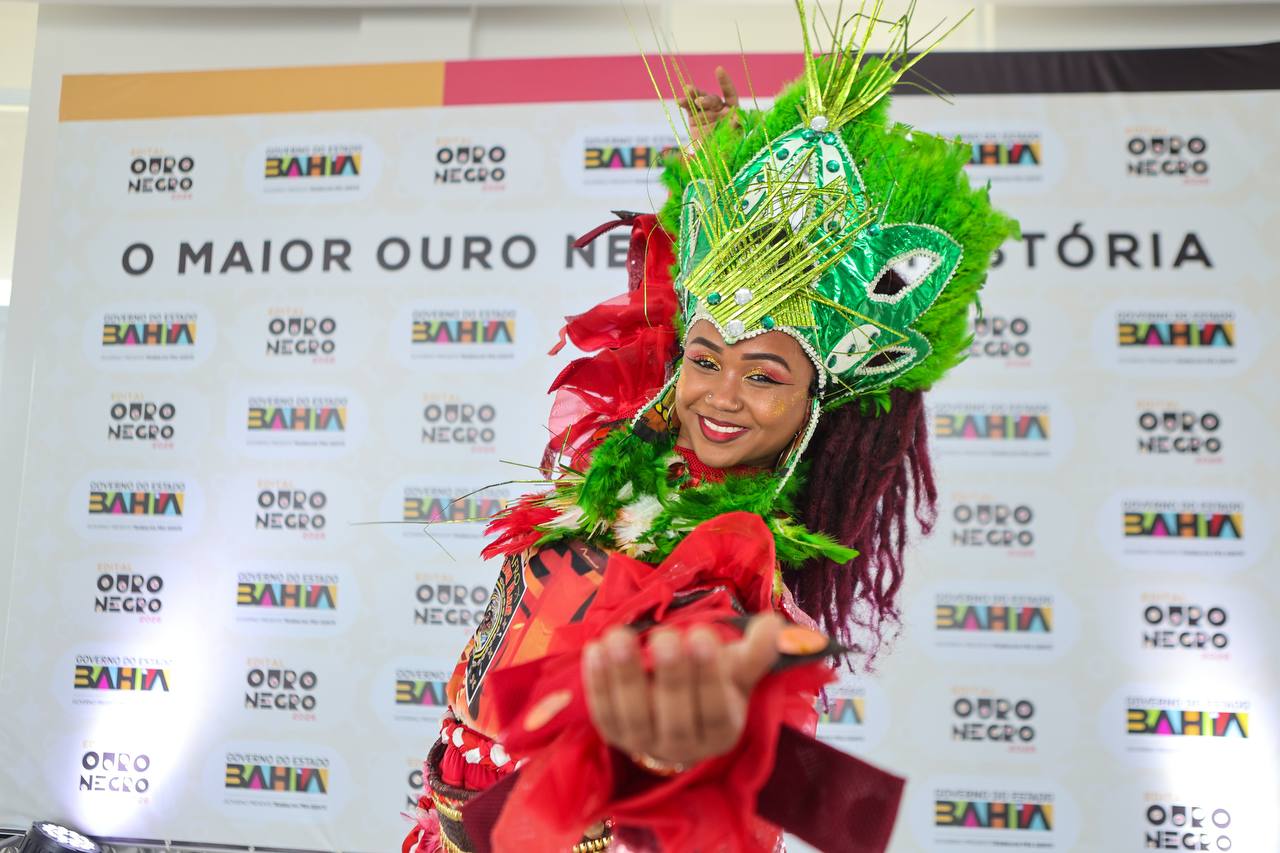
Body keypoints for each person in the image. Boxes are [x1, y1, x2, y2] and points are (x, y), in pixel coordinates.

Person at [403, 6, 1017, 852]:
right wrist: (715, 177)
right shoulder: (633, 451)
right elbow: (665, 316)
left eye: (765, 376)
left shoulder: (742, 564)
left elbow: (735, 728)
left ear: (815, 402)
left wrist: (692, 741)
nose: (722, 394)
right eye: (706, 360)